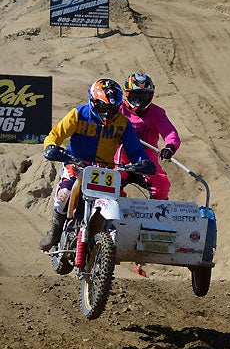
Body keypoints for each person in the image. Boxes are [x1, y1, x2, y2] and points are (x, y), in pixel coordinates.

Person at [38, 79, 155, 252]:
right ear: (93, 102)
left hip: (104, 169)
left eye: (113, 109)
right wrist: (51, 147)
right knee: (65, 192)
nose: (108, 113)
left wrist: (143, 163)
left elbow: (135, 149)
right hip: (76, 162)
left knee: (118, 199)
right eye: (103, 107)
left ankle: (110, 239)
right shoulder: (78, 114)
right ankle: (55, 232)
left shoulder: (122, 123)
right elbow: (55, 134)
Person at [117, 72, 182, 277]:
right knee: (109, 183)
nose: (140, 100)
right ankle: (114, 220)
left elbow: (170, 133)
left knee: (162, 184)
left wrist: (169, 147)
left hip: (147, 160)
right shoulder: (116, 109)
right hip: (120, 157)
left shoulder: (156, 113)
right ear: (127, 93)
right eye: (136, 95)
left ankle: (156, 224)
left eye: (145, 96)